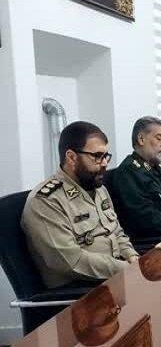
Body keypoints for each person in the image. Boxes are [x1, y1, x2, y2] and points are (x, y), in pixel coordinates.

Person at [21, 121, 137, 289]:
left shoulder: (98, 188)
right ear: (71, 157)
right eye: (97, 156)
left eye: (106, 156)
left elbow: (116, 232)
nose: (105, 163)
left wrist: (132, 257)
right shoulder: (46, 201)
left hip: (115, 278)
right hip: (81, 292)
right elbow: (69, 261)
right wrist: (126, 269)